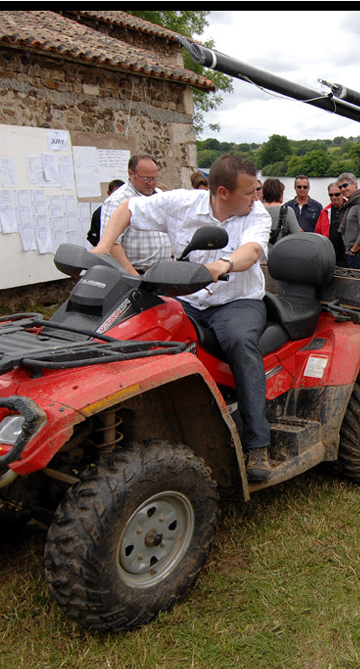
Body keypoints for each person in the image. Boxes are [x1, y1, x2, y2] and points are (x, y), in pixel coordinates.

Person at [93, 154, 276, 482]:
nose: (255, 197)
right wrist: (105, 246)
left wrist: (224, 265)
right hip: (188, 298)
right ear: (222, 192)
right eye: (248, 192)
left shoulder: (255, 214)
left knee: (240, 343)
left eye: (256, 191)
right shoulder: (181, 202)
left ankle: (256, 444)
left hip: (237, 301)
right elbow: (128, 209)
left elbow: (250, 251)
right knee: (144, 329)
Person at [100, 154, 171, 274]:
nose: (151, 183)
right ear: (131, 173)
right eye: (146, 179)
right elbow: (112, 244)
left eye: (154, 178)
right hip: (136, 272)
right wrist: (134, 276)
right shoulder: (117, 201)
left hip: (164, 272)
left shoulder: (159, 195)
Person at [336, 172, 360, 270]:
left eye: (345, 185)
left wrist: (354, 250)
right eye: (340, 187)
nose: (343, 189)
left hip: (359, 254)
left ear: (354, 184)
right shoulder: (352, 203)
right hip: (353, 253)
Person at [315, 182, 347, 266]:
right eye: (331, 195)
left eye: (337, 194)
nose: (334, 197)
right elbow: (318, 233)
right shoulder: (325, 212)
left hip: (347, 256)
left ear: (342, 194)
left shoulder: (351, 209)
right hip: (329, 256)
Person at [261, 178, 300, 245]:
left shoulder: (256, 210)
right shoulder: (287, 211)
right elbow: (297, 236)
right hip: (280, 253)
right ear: (279, 193)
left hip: (259, 252)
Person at [86, 179, 125, 247]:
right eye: (116, 194)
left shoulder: (131, 210)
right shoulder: (99, 213)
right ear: (109, 193)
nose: (119, 197)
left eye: (122, 194)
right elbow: (93, 238)